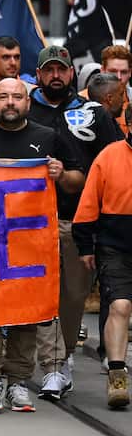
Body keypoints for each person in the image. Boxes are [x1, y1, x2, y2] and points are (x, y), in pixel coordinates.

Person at [0, 78, 84, 413]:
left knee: (28, 311)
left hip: (30, 246)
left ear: (28, 102)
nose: (10, 102)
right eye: (3, 96)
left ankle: (19, 381)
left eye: (17, 97)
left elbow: (77, 181)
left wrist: (60, 173)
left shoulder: (47, 137)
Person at [26, 45, 123, 398]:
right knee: (41, 294)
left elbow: (115, 162)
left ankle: (63, 355)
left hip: (76, 220)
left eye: (61, 70)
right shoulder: (23, 108)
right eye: (48, 69)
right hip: (28, 222)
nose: (55, 76)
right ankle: (51, 363)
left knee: (73, 296)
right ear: (38, 74)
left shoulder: (93, 113)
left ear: (71, 74)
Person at [74, 125, 132, 408]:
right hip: (115, 246)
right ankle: (117, 372)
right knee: (119, 306)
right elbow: (88, 204)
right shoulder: (109, 156)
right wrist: (85, 245)